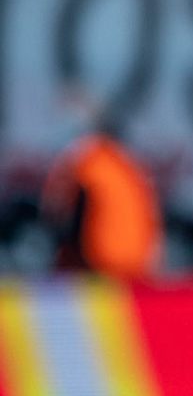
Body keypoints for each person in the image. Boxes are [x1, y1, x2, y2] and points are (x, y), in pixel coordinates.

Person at [41, 115, 162, 279]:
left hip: (105, 260)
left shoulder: (88, 158)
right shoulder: (124, 163)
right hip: (136, 261)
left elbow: (55, 203)